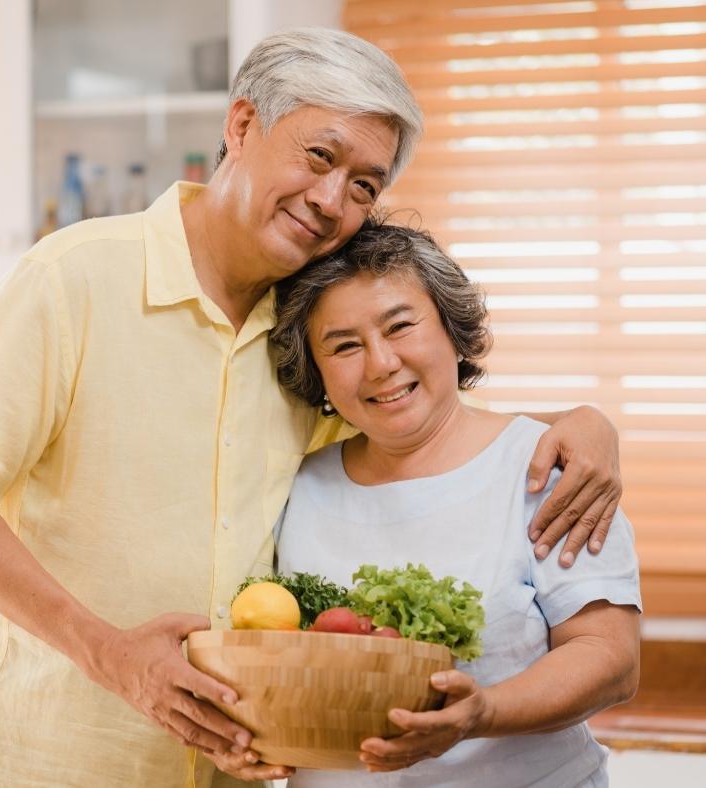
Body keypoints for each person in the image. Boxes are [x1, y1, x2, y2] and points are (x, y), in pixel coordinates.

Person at [0, 29, 623, 788]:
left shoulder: (311, 336)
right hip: (40, 761)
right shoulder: (70, 280)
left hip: (223, 770)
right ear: (242, 126)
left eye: (364, 186)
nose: (330, 201)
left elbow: (421, 416)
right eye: (320, 157)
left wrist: (581, 424)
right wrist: (113, 655)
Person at [229, 222, 639, 786]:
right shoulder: (297, 484)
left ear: (451, 328)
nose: (380, 364)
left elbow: (609, 658)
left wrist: (482, 713)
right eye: (344, 345)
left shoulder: (548, 466)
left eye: (400, 326)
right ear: (316, 372)